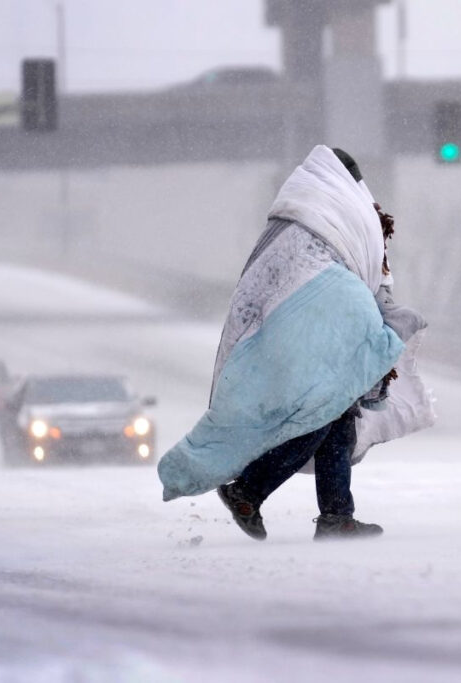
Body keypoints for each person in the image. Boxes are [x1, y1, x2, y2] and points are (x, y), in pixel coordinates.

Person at [157, 145, 431, 540]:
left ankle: (336, 515)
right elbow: (357, 273)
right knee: (321, 413)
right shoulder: (342, 214)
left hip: (286, 331)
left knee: (336, 416)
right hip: (310, 330)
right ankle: (249, 491)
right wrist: (379, 324)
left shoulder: (295, 218)